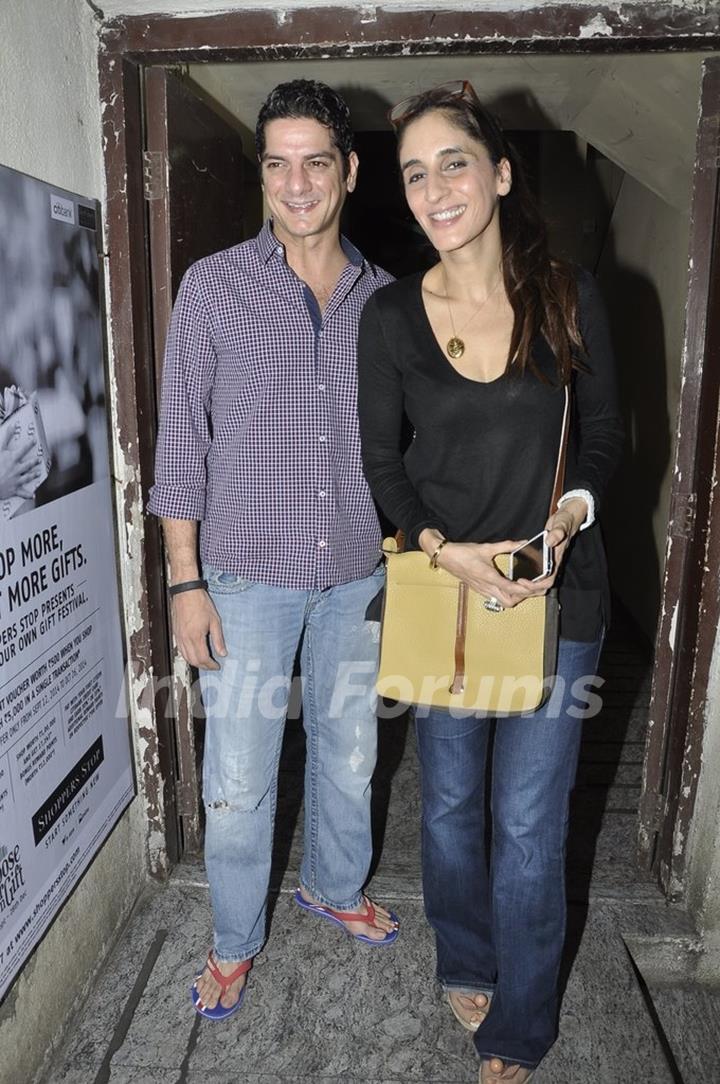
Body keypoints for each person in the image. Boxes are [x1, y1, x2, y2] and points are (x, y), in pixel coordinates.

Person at [357, 81, 623, 1083]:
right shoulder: (388, 316)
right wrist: (434, 540)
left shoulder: (570, 293)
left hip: (559, 602)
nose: (434, 188)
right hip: (444, 597)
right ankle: (464, 952)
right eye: (415, 173)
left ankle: (521, 1021)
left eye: (454, 163)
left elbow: (604, 433)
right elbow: (382, 462)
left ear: (501, 173)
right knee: (449, 801)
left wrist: (568, 516)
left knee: (527, 820)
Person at [148, 79, 399, 1022]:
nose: (297, 183)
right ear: (263, 173)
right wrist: (185, 580)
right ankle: (233, 941)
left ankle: (333, 888)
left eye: (317, 162)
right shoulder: (213, 284)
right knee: (242, 781)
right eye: (278, 163)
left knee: (349, 757)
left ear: (349, 171)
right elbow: (182, 442)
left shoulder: (387, 299)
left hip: (355, 579)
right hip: (243, 578)